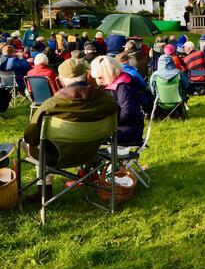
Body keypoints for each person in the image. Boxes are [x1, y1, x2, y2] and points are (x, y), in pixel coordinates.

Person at [21, 58, 118, 201]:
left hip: (56, 157)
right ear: (87, 75)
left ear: (60, 80)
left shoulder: (51, 105)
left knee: (33, 143)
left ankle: (44, 190)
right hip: (90, 152)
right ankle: (87, 175)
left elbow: (30, 137)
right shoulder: (107, 100)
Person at [91, 56, 144, 145]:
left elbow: (127, 112)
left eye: (100, 77)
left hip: (127, 131)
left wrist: (108, 124)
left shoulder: (123, 86)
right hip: (122, 128)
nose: (98, 81)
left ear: (110, 73)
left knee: (88, 137)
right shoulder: (118, 85)